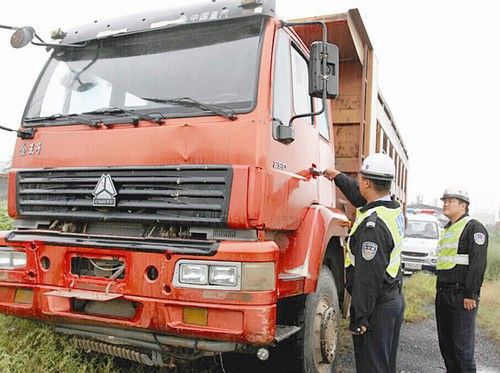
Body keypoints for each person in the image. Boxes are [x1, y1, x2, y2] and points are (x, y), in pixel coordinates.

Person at [322, 153, 405, 373]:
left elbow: (368, 279)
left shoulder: (373, 227)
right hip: (391, 298)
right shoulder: (392, 209)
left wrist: (360, 317)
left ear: (367, 182)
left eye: (360, 178)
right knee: (384, 365)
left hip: (377, 305)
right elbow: (360, 198)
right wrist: (338, 176)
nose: (358, 181)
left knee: (372, 367)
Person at [436, 187, 488, 373]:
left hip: (461, 296)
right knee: (447, 346)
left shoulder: (474, 227)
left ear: (463, 205)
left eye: (451, 200)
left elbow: (478, 264)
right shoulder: (448, 229)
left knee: (462, 350)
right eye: (444, 200)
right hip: (443, 293)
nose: (446, 203)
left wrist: (471, 294)